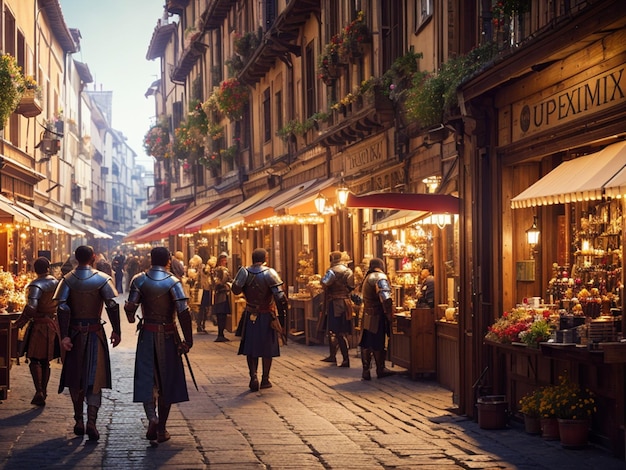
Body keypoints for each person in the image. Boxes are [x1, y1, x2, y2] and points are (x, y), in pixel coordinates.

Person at [124, 246, 193, 444]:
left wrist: (128, 311)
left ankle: (152, 418)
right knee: (166, 382)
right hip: (169, 336)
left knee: (147, 379)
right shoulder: (173, 282)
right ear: (168, 260)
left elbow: (130, 314)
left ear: (151, 259)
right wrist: (188, 340)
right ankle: (161, 428)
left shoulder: (139, 279)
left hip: (147, 334)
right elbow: (183, 312)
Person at [54, 245, 121, 441]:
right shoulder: (101, 279)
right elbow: (112, 304)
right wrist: (116, 330)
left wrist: (65, 335)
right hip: (94, 333)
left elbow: (63, 307)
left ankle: (79, 420)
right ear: (93, 257)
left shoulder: (67, 279)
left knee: (75, 377)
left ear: (76, 258)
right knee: (95, 377)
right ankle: (91, 421)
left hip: (74, 334)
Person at [231, 248, 288, 392]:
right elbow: (280, 297)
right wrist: (283, 318)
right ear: (265, 258)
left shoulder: (244, 272)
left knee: (251, 346)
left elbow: (235, 290)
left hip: (250, 313)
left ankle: (253, 376)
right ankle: (265, 379)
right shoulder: (269, 273)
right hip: (266, 314)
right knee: (267, 347)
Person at [13, 257, 61, 406]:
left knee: (34, 359)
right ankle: (43, 391)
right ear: (48, 268)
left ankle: (39, 390)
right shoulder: (56, 282)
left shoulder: (36, 285)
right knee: (45, 361)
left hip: (39, 326)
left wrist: (19, 323)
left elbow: (31, 308)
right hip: (53, 324)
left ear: (35, 269)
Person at [358, 258, 395, 380]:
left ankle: (366, 370)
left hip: (367, 314)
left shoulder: (368, 277)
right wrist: (389, 314)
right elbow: (386, 297)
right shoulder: (379, 277)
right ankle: (380, 368)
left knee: (367, 342)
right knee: (378, 342)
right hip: (377, 315)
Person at [320, 251, 355, 367]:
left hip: (334, 303)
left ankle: (343, 359)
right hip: (346, 303)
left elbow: (324, 283)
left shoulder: (332, 271)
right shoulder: (348, 271)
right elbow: (351, 287)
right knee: (341, 331)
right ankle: (335, 356)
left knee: (336, 332)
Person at [213, 253, 232, 342]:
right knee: (221, 315)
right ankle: (220, 334)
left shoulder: (217, 270)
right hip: (221, 294)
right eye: (224, 260)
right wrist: (227, 286)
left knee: (222, 315)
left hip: (221, 294)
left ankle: (221, 333)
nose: (225, 262)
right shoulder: (221, 270)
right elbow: (217, 283)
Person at [197, 255, 217, 333]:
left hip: (205, 289)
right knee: (203, 308)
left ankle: (201, 325)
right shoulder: (206, 268)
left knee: (204, 308)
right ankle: (201, 325)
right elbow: (206, 274)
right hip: (205, 290)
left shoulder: (202, 267)